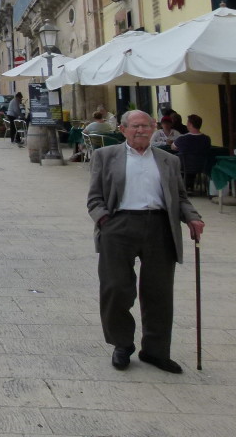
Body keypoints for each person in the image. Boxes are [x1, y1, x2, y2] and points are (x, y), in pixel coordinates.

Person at [87, 109, 204, 374]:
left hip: (159, 226)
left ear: (154, 128)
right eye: (135, 126)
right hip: (119, 225)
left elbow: (181, 198)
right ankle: (122, 344)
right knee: (116, 289)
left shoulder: (168, 160)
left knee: (159, 293)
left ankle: (155, 350)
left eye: (146, 126)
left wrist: (193, 219)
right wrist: (105, 221)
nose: (141, 131)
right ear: (123, 129)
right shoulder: (105, 156)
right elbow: (94, 197)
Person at [173, 114, 212, 193]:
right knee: (192, 162)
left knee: (178, 161)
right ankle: (190, 186)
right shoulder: (206, 139)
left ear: (190, 124)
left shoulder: (182, 138)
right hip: (202, 166)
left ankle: (185, 187)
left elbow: (173, 147)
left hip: (185, 166)